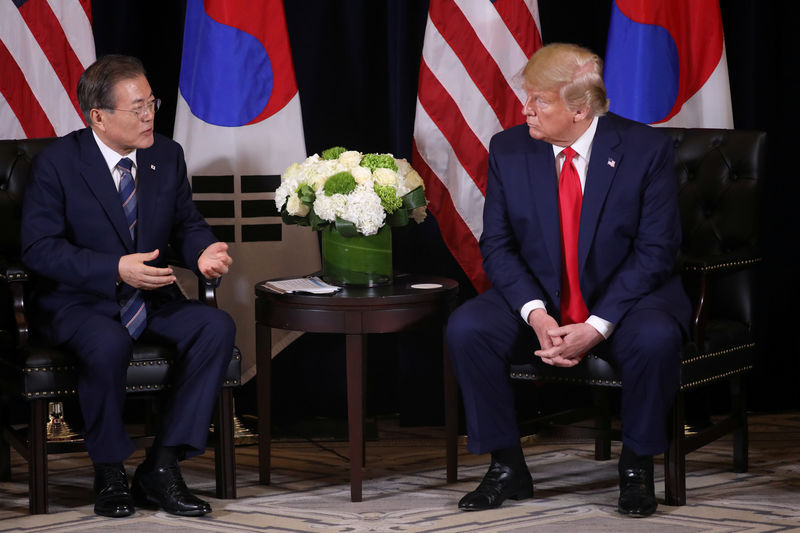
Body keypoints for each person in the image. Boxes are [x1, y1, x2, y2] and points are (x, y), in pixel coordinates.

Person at [446, 43, 690, 517]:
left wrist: (597, 325)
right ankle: (507, 466)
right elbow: (496, 245)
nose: (525, 109)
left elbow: (656, 250)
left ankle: (637, 467)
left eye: (539, 100)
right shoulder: (510, 148)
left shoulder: (646, 149)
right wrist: (536, 314)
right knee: (467, 328)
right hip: (539, 294)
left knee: (656, 338)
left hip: (627, 296)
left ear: (579, 110)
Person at [21, 55, 235, 518]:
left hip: (150, 296)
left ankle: (162, 465)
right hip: (79, 301)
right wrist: (114, 268)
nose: (149, 116)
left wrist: (201, 252)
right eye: (136, 107)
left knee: (215, 327)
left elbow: (186, 222)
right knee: (108, 341)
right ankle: (110, 469)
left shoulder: (165, 154)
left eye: (151, 103)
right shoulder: (58, 163)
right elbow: (39, 248)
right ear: (98, 116)